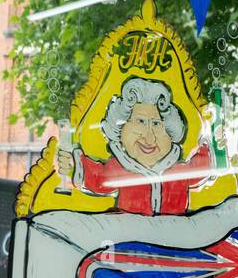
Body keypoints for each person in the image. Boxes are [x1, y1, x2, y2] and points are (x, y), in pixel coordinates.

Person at [54, 75, 211, 216]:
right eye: (140, 122)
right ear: (120, 130)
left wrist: (213, 144)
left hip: (172, 243)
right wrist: (73, 166)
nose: (149, 137)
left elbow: (202, 166)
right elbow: (96, 178)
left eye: (157, 124)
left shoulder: (179, 172)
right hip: (130, 242)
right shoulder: (119, 170)